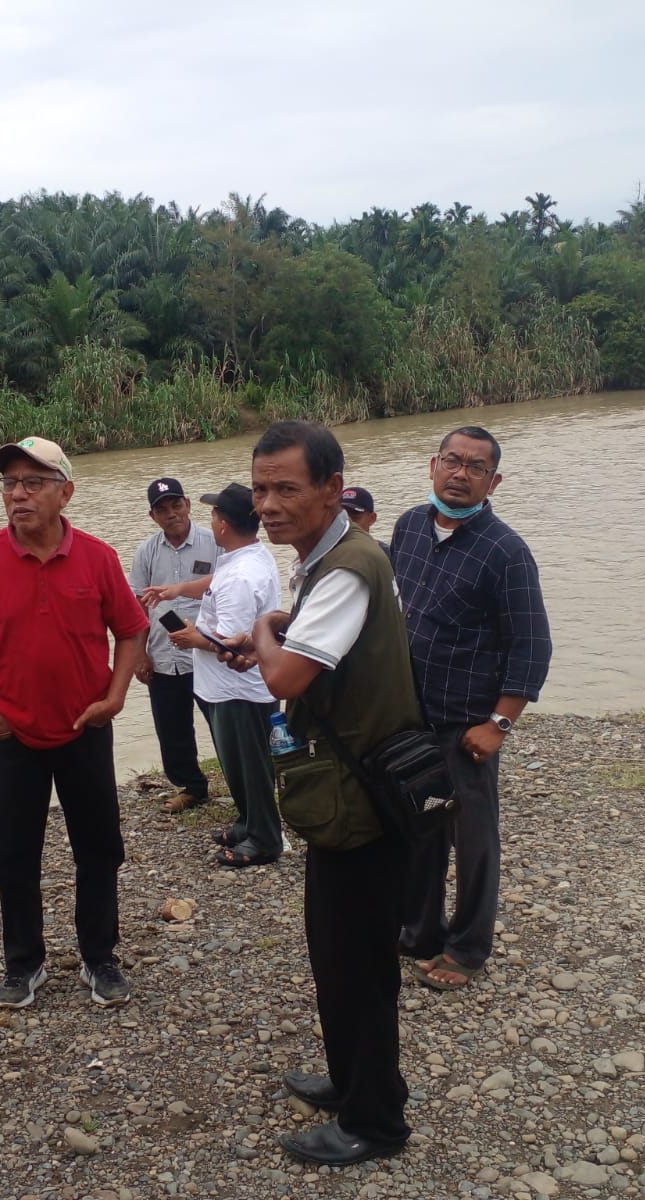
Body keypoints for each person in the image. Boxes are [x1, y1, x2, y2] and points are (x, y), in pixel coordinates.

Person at [226, 420, 419, 1167]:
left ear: (333, 489)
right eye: (260, 488)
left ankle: (375, 1122)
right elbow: (306, 650)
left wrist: (266, 629)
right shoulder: (331, 556)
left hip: (363, 801)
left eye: (287, 489)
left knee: (358, 966)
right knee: (339, 957)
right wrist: (282, 622)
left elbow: (283, 678)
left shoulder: (343, 568)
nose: (269, 504)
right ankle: (350, 1082)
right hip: (356, 793)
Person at [0, 436, 150, 1010]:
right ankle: (23, 963)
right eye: (9, 483)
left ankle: (99, 957)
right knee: (13, 853)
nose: (18, 494)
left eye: (33, 482)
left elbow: (132, 630)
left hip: (86, 729)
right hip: (12, 735)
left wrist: (115, 697)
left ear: (66, 493)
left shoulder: (98, 558)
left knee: (100, 848)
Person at [390, 425, 552, 989]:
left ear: (494, 481)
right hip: (413, 715)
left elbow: (531, 646)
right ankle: (420, 930)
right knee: (420, 829)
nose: (460, 474)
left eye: (475, 467)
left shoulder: (505, 552)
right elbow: (396, 610)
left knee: (474, 839)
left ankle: (467, 948)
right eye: (452, 461)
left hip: (468, 725)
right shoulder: (409, 527)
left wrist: (499, 724)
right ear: (433, 465)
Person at [166, 482, 282, 868]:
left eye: (215, 515)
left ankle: (265, 838)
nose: (211, 520)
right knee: (238, 764)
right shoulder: (246, 557)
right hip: (230, 688)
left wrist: (190, 637)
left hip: (239, 689)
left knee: (249, 766)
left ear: (224, 525)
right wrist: (177, 591)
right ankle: (248, 823)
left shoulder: (239, 576)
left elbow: (229, 643)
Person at [128, 478, 216, 814]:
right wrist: (140, 652)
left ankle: (243, 784)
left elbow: (228, 590)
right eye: (162, 509)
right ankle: (191, 787)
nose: (171, 514)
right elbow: (138, 606)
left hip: (206, 654)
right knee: (172, 727)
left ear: (188, 505)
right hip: (164, 657)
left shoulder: (214, 542)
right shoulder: (146, 551)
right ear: (153, 516)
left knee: (221, 723)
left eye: (176, 505)